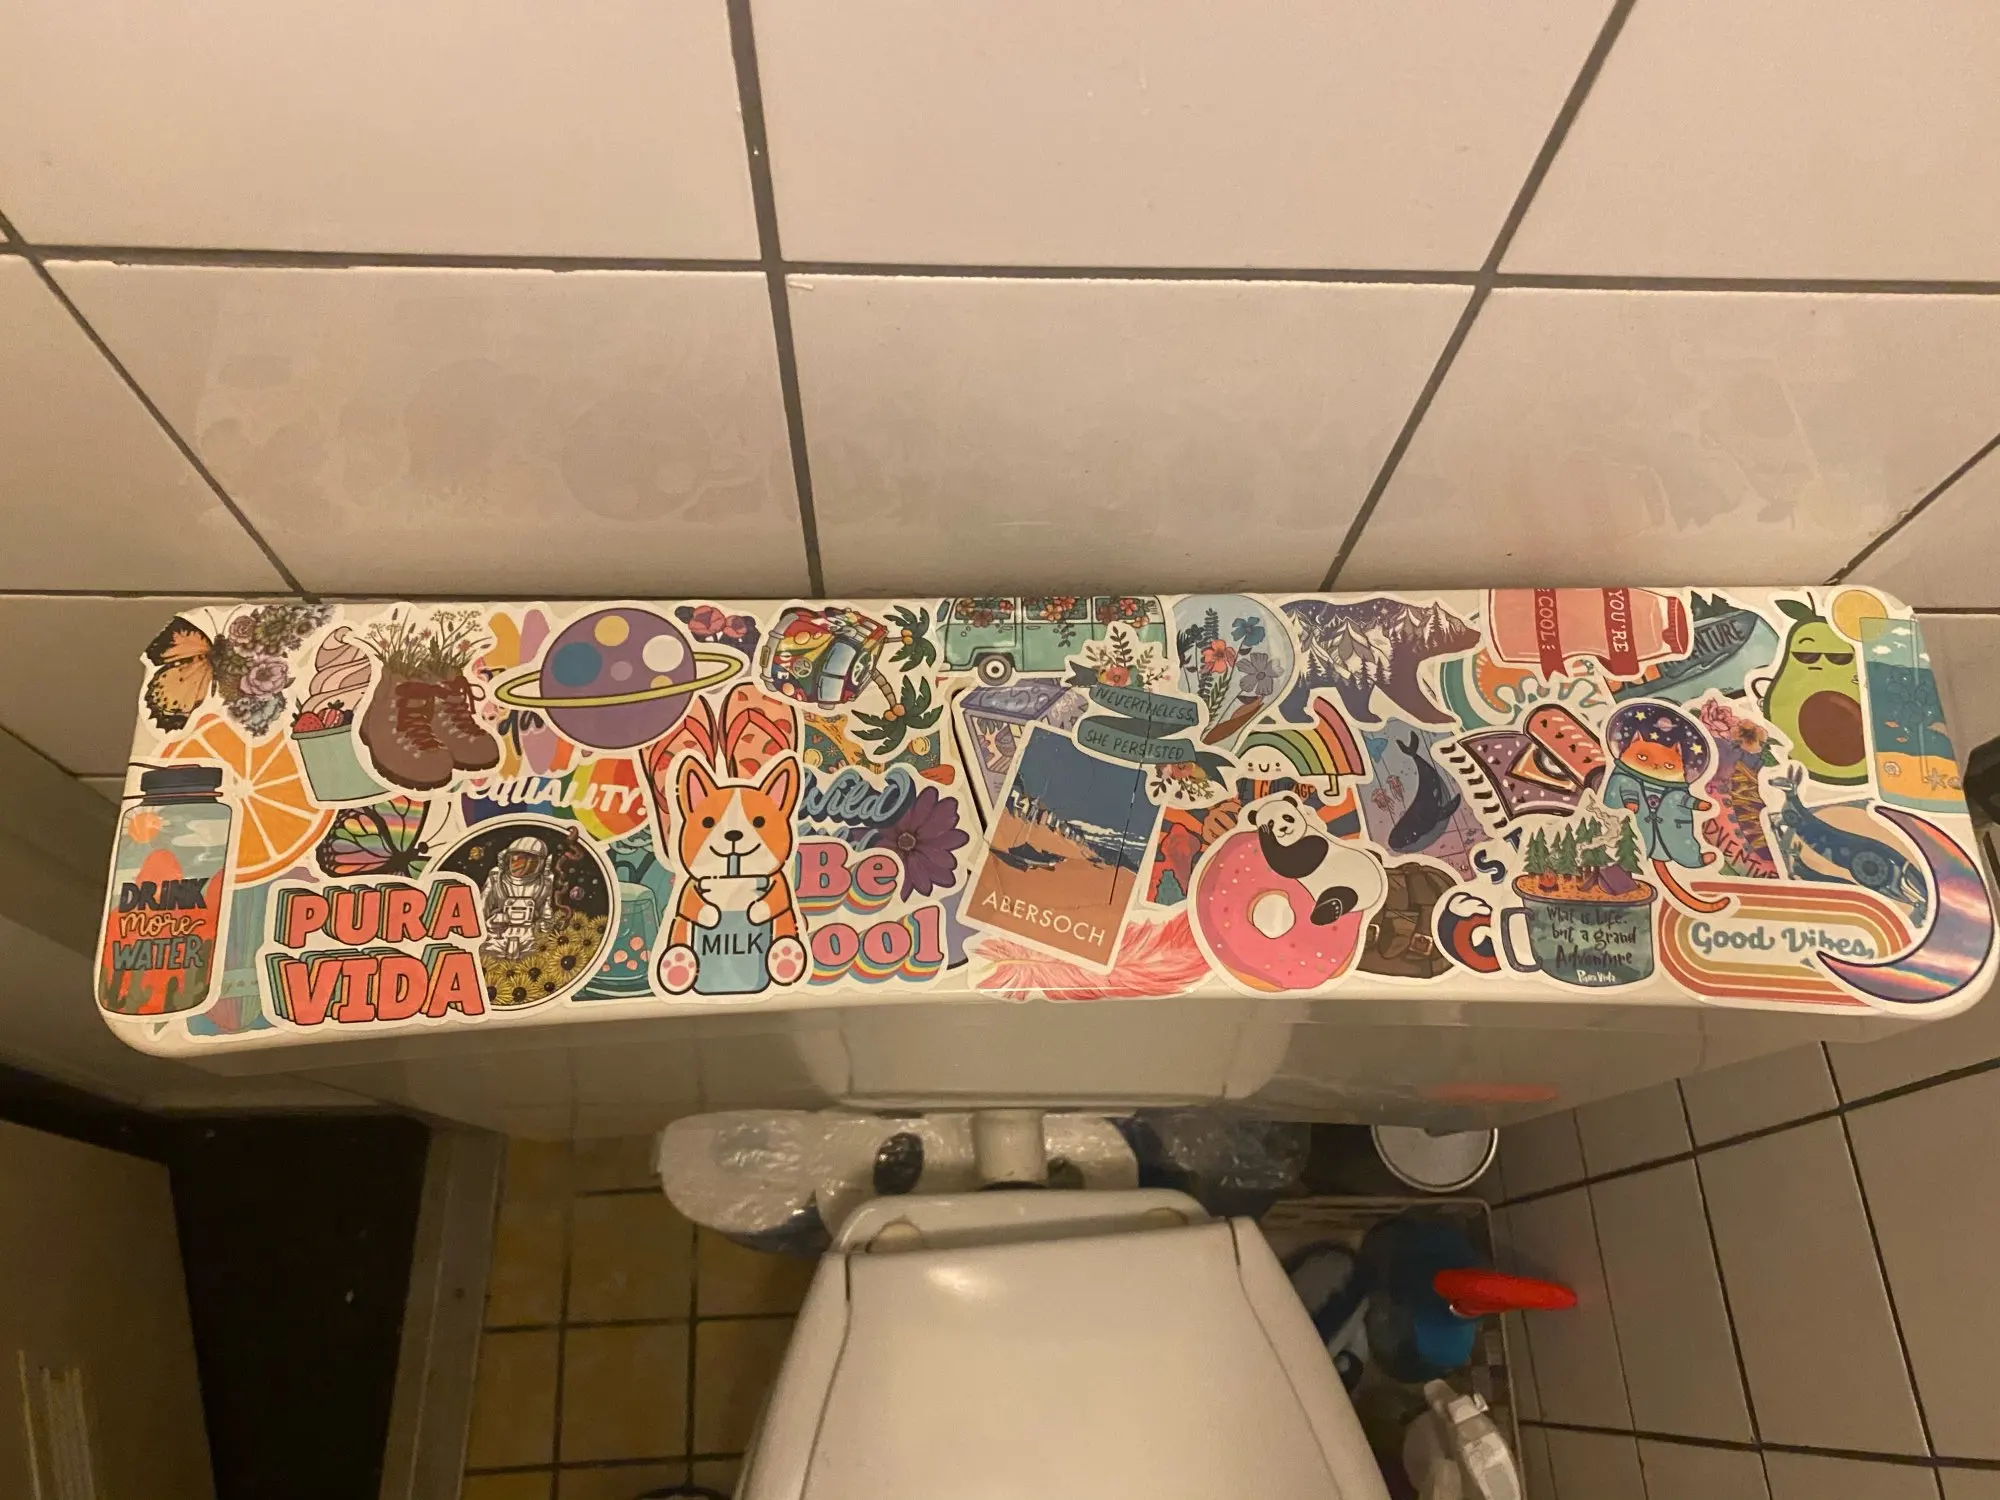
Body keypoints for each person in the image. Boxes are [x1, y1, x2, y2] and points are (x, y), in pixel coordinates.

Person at [484, 835, 558, 960]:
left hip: (530, 939)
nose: (520, 866)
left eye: (529, 861)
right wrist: (489, 923)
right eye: (516, 860)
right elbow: (479, 912)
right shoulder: (496, 880)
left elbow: (546, 913)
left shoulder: (544, 884)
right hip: (497, 937)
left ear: (540, 863)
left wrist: (544, 925)